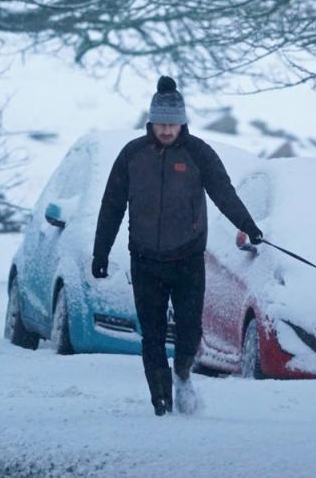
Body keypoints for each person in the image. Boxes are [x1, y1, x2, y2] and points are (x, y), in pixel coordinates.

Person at [91, 75, 263, 416]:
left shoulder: (198, 153)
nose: (167, 130)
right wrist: (101, 252)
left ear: (182, 122)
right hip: (144, 258)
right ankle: (160, 402)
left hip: (187, 258)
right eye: (161, 124)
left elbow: (223, 193)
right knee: (151, 336)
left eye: (173, 124)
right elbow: (111, 205)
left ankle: (182, 374)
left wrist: (249, 226)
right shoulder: (132, 155)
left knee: (189, 332)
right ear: (151, 122)